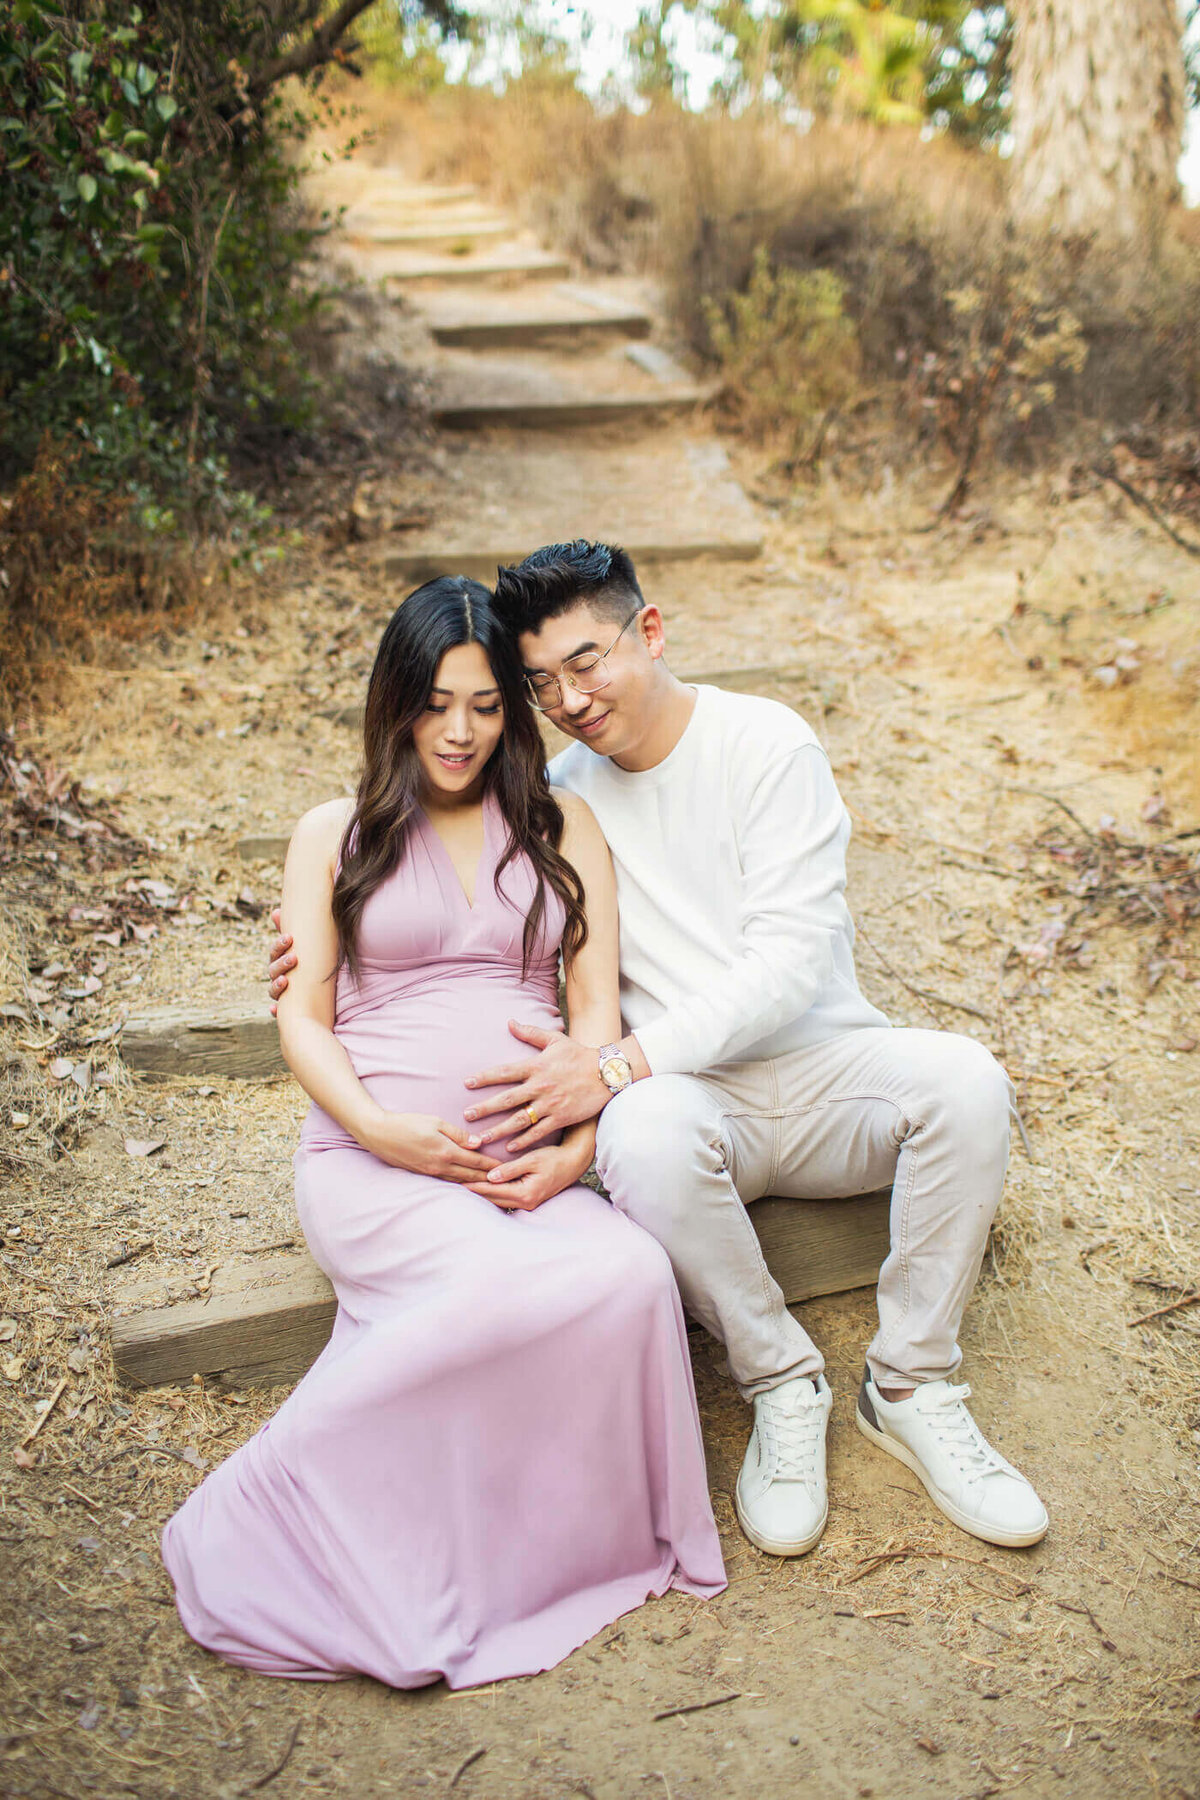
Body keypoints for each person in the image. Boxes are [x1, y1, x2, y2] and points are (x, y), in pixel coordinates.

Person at [270, 543, 1049, 1560]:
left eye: (587, 663)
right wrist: (315, 937)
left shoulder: (763, 743)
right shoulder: (553, 795)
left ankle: (911, 1382)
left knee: (968, 1081)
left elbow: (789, 963)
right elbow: (437, 850)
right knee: (643, 1132)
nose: (572, 698)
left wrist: (612, 1068)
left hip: (818, 1079)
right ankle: (780, 1382)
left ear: (652, 631)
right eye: (542, 683)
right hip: (681, 1108)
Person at [163, 575, 725, 1692]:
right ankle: (287, 1491)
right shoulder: (339, 831)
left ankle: (552, 1552)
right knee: (496, 1297)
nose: (459, 732)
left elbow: (595, 1009)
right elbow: (302, 1014)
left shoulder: (564, 826)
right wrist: (379, 1127)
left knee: (628, 1277)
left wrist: (577, 1145)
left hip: (531, 1165)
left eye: (482, 704)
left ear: (512, 711)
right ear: (395, 704)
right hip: (376, 1167)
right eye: (433, 703)